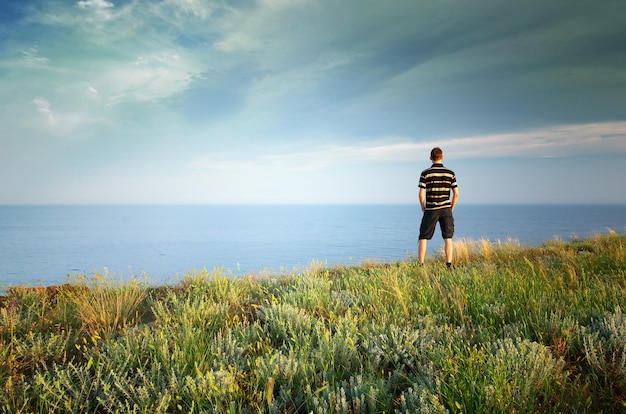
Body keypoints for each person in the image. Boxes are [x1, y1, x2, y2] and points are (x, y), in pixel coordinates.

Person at [418, 147, 459, 267]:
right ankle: (449, 264)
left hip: (431, 209)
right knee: (448, 237)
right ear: (442, 157)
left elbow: (421, 194)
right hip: (446, 209)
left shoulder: (425, 173)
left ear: (430, 158)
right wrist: (451, 208)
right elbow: (456, 193)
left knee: (423, 237)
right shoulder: (451, 173)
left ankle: (420, 264)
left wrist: (423, 208)